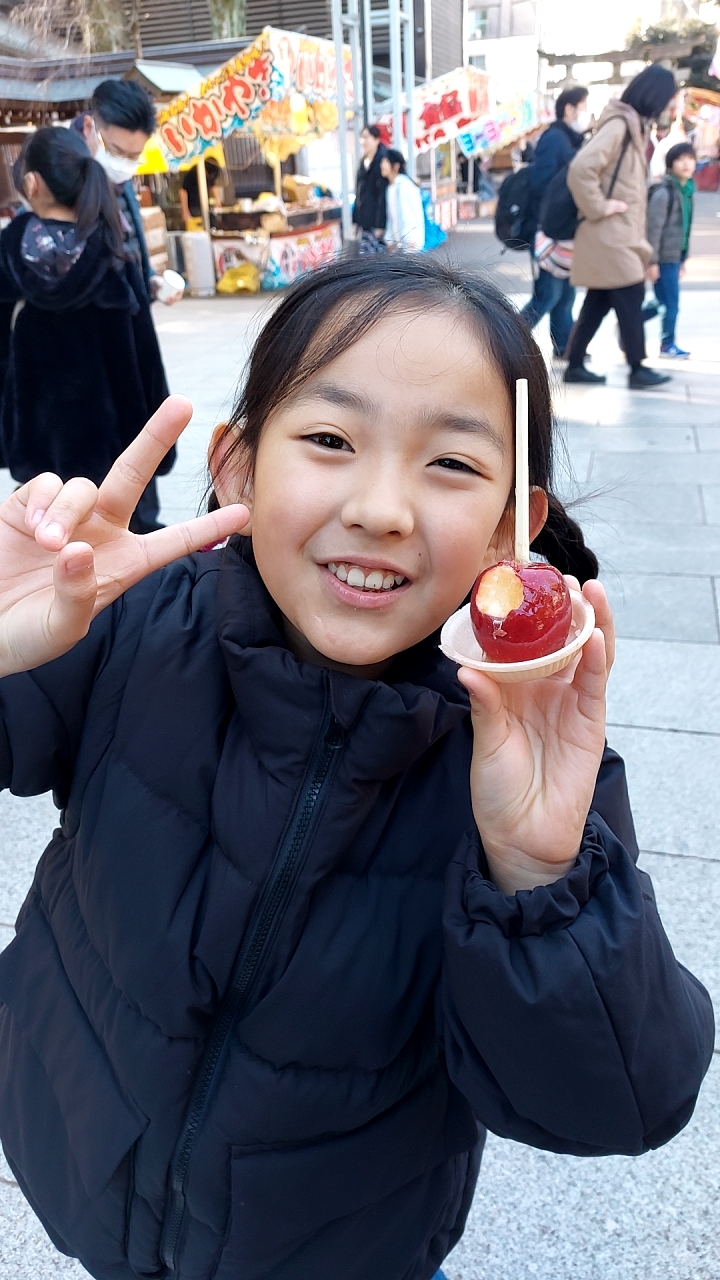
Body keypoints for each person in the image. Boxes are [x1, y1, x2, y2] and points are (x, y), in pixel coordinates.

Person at [0, 256, 712, 1280]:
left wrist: (537, 876)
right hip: (79, 1157)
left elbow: (622, 1102)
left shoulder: (529, 761)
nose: (382, 509)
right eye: (331, 440)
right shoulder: (128, 625)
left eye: (452, 463)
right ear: (239, 469)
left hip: (350, 1245)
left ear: (512, 528)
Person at [0, 127, 171, 529]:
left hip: (37, 446)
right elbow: (145, 357)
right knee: (124, 545)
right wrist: (159, 445)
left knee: (50, 541)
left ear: (31, 183)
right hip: (115, 445)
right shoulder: (113, 251)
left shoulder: (8, 254)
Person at [73, 79, 181, 530]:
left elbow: (129, 257)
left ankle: (142, 533)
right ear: (89, 128)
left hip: (132, 344)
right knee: (98, 479)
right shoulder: (64, 183)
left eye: (135, 155)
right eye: (117, 150)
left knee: (139, 458)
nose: (125, 163)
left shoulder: (118, 183)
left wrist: (150, 282)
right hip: (88, 359)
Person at [564, 64, 677, 390]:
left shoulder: (633, 125)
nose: (669, 106)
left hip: (618, 233)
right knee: (630, 292)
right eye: (668, 99)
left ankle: (574, 364)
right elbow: (581, 169)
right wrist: (600, 206)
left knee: (599, 300)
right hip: (610, 234)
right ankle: (637, 367)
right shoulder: (619, 125)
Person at [520, 86, 589, 357]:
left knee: (564, 294)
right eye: (583, 106)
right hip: (549, 229)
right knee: (548, 294)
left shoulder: (568, 139)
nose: (586, 113)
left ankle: (564, 346)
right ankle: (507, 339)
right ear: (569, 109)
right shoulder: (555, 139)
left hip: (564, 230)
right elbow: (542, 183)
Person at [645, 141, 696, 358]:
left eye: (690, 159)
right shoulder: (664, 192)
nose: (686, 164)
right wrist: (652, 261)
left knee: (662, 301)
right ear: (670, 164)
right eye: (680, 159)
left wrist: (683, 259)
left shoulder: (687, 191)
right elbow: (653, 229)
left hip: (675, 257)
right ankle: (667, 345)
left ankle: (630, 321)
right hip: (663, 258)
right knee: (671, 303)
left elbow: (685, 229)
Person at [379, 148, 425, 251]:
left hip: (410, 243)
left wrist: (412, 238)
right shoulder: (390, 187)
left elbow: (411, 214)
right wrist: (390, 240)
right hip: (399, 245)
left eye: (385, 162)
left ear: (396, 166)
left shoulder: (405, 186)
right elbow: (392, 217)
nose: (382, 166)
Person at [353, 123, 388, 251]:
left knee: (380, 257)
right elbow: (359, 193)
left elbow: (383, 194)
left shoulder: (384, 161)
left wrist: (380, 224)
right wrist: (355, 220)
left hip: (379, 221)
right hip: (365, 220)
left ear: (376, 139)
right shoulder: (363, 162)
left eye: (366, 137)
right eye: (361, 137)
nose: (363, 141)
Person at [180, 156, 224, 223]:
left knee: (213, 220)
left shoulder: (215, 171)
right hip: (193, 206)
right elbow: (183, 191)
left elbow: (212, 186)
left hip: (205, 204)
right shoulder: (193, 172)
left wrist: (217, 200)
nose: (209, 176)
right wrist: (185, 210)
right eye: (207, 174)